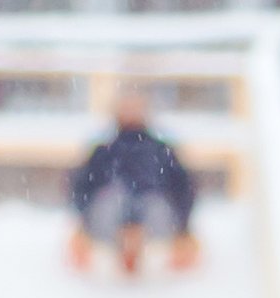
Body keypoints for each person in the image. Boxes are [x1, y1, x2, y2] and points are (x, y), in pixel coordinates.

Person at [68, 106, 202, 274]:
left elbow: (184, 188)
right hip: (117, 207)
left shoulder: (161, 151)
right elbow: (81, 187)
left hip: (150, 206)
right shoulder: (104, 151)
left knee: (147, 203)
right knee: (116, 200)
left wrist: (185, 229)